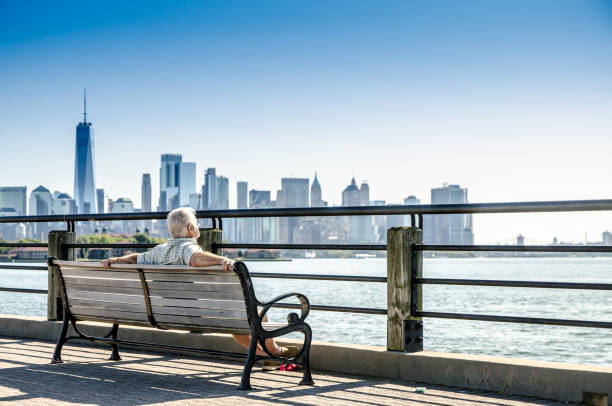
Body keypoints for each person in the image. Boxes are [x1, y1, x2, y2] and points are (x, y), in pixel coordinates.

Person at [101, 207, 297, 363]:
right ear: (190, 229)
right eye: (197, 224)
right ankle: (276, 352)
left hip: (165, 314)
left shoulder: (159, 251)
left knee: (238, 318)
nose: (199, 228)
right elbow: (194, 258)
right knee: (257, 314)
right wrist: (222, 259)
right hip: (201, 316)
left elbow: (136, 259)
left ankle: (266, 356)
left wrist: (116, 259)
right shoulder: (189, 248)